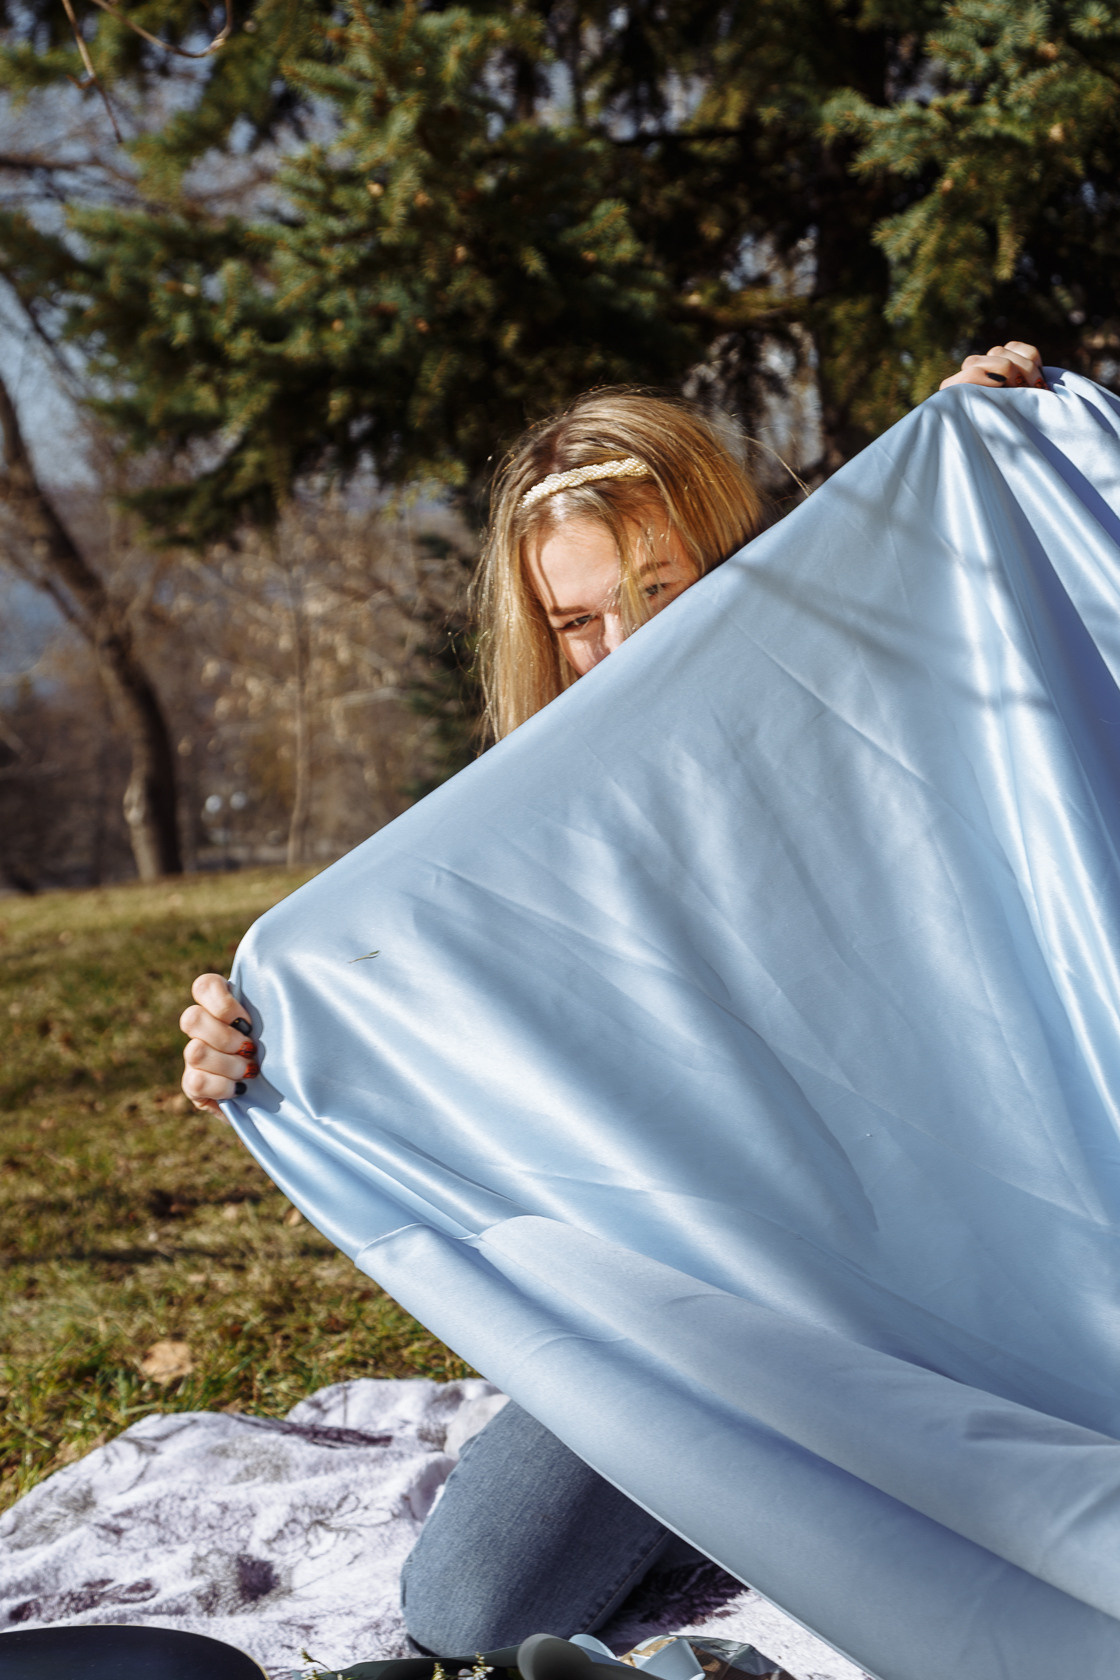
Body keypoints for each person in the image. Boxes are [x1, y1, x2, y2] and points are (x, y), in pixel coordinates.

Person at [180, 340, 1048, 1654]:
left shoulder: (865, 711)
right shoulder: (526, 835)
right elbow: (415, 1012)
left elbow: (1001, 641)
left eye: (661, 584)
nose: (625, 643)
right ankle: (752, 1480)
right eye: (580, 619)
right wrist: (264, 1041)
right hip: (707, 1305)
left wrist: (998, 440)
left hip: (957, 1263)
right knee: (468, 1605)